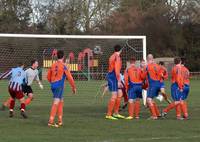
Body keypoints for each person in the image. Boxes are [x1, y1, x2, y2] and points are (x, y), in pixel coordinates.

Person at [47, 50, 76, 127]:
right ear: (63, 57)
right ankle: (50, 121)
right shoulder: (64, 65)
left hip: (53, 85)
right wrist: (73, 87)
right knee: (56, 101)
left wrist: (52, 83)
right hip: (59, 85)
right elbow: (70, 77)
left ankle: (60, 121)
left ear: (57, 56)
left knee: (61, 100)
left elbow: (48, 76)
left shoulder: (53, 65)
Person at [105, 45, 124, 120]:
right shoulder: (117, 57)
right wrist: (119, 80)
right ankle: (108, 114)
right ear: (121, 50)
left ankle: (116, 113)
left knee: (120, 94)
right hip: (113, 77)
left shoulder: (112, 56)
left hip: (113, 76)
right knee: (114, 95)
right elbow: (116, 69)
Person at [145, 54, 162, 120]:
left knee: (148, 100)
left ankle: (154, 116)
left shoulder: (147, 66)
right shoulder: (158, 66)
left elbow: (143, 76)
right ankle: (157, 114)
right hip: (158, 85)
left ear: (147, 59)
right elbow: (161, 76)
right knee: (151, 99)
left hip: (152, 85)